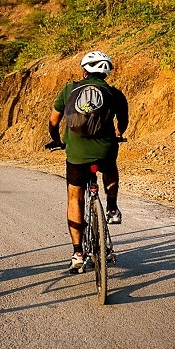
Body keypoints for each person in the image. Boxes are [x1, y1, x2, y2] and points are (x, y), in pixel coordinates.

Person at [45, 51, 129, 272]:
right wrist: (118, 134)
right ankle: (111, 207)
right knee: (110, 166)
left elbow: (53, 122)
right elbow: (123, 122)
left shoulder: (70, 89)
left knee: (75, 197)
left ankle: (78, 253)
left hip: (77, 153)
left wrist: (56, 141)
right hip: (105, 150)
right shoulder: (113, 93)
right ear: (106, 73)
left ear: (84, 70)